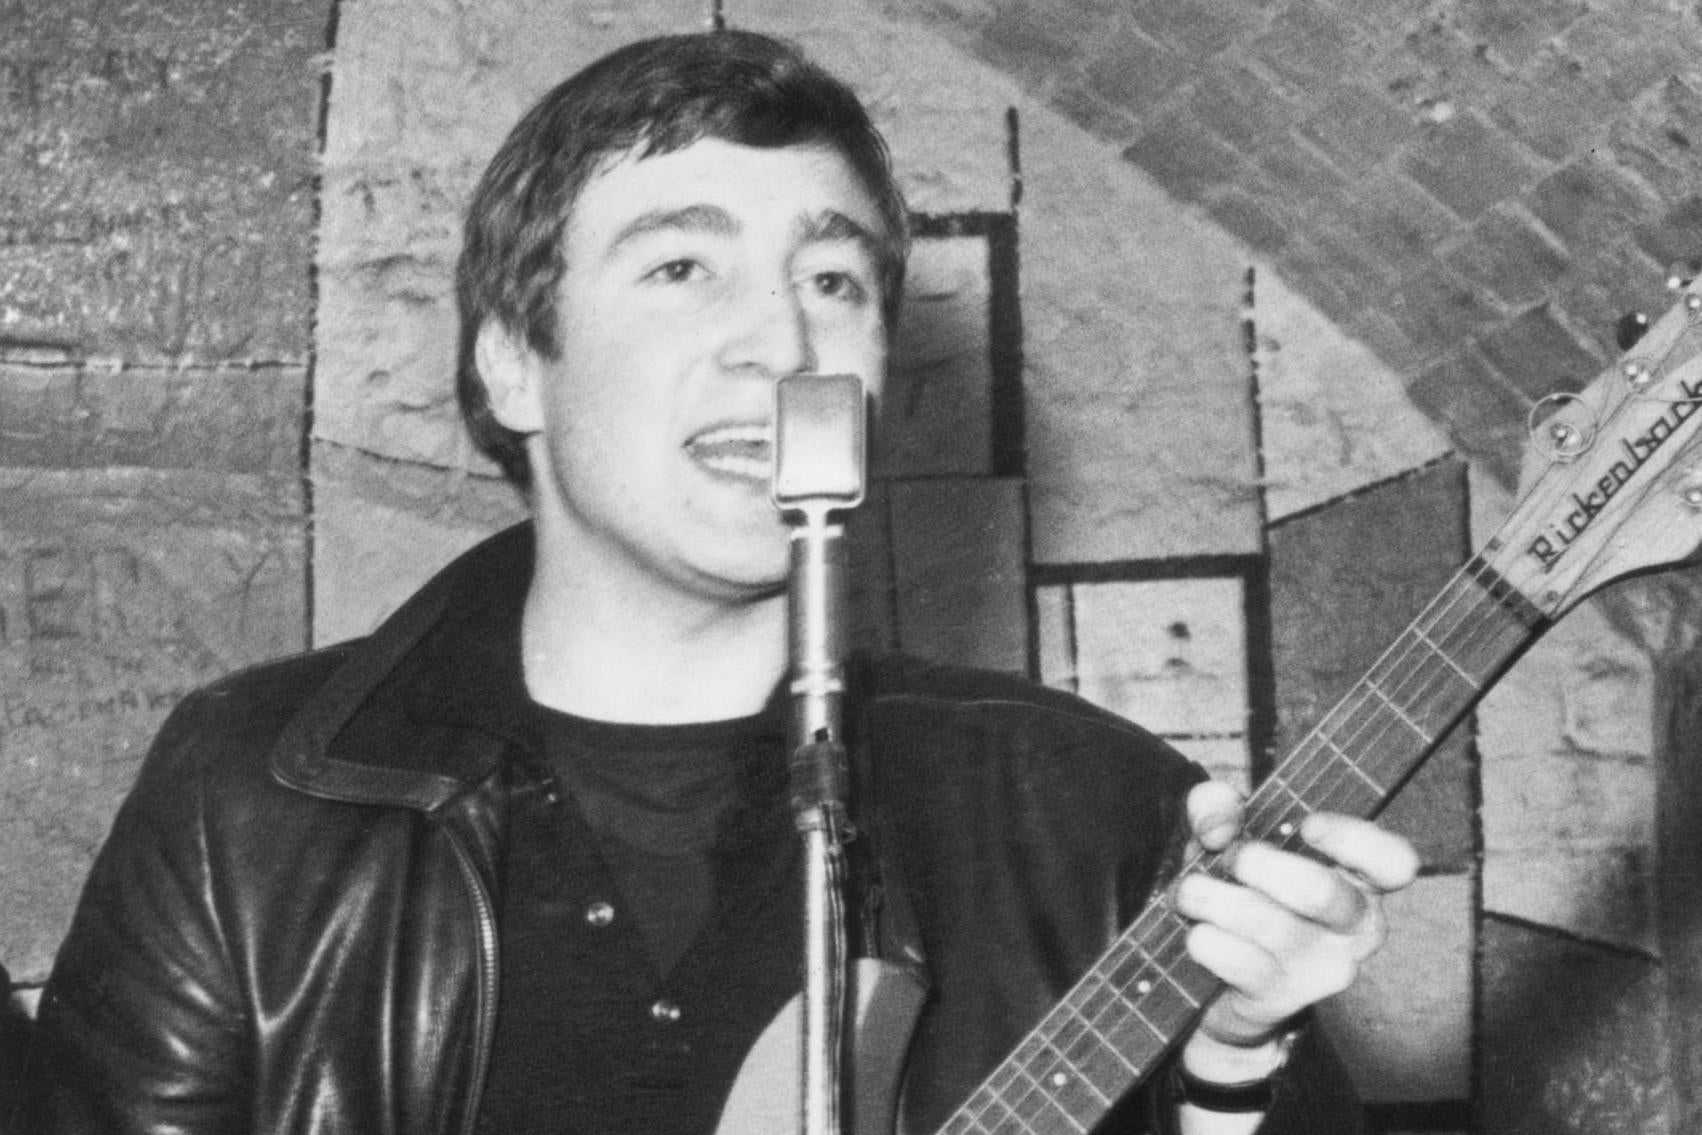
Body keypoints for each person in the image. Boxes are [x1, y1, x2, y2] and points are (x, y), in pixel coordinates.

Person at [21, 29, 1418, 1135]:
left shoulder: (1095, 812)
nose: (778, 338)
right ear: (516, 362)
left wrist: (1233, 1074)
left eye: (834, 282)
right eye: (682, 265)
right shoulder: (256, 792)